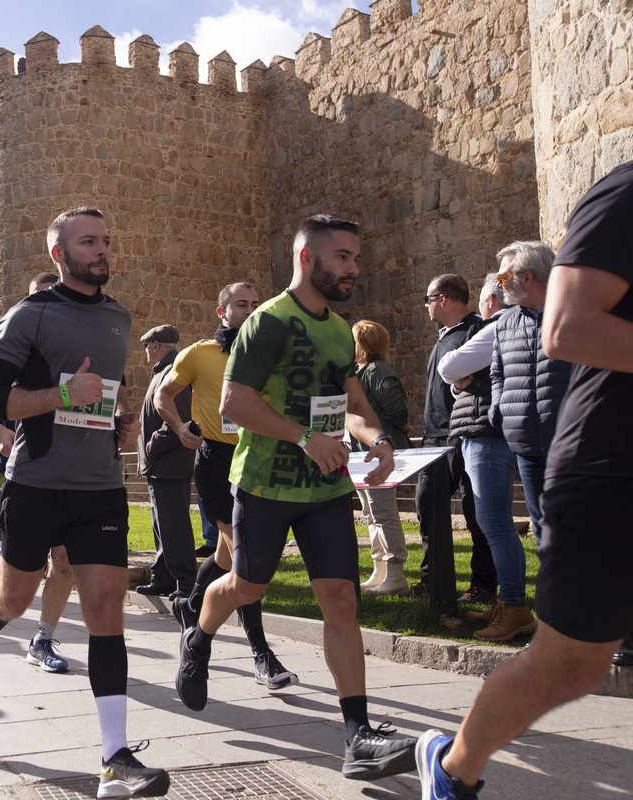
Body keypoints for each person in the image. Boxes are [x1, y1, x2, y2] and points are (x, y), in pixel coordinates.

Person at [417, 160, 633, 799]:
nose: (511, 285)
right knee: (571, 663)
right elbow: (570, 327)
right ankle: (453, 769)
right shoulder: (623, 196)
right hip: (608, 467)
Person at [175, 215, 416, 781]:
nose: (354, 268)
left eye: (356, 258)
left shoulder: (338, 329)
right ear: (307, 259)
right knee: (244, 585)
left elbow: (352, 401)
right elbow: (234, 403)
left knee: (340, 598)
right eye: (342, 258)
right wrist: (305, 438)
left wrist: (376, 439)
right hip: (265, 485)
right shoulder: (268, 323)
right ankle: (198, 631)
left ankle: (357, 734)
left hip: (328, 487)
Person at [0, 207, 170, 799]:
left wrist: (115, 421)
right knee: (14, 598)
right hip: (37, 482)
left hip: (98, 487)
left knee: (105, 606)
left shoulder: (120, 316)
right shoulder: (31, 315)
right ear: (59, 254)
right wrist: (64, 392)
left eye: (105, 240)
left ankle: (115, 758)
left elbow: (98, 401)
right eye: (88, 241)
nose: (102, 250)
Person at [154, 282, 298, 691]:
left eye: (256, 304)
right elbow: (164, 394)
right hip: (217, 461)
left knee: (224, 553)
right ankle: (261, 655)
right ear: (222, 312)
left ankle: (191, 605)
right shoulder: (199, 353)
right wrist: (180, 427)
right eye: (241, 304)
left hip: (258, 458)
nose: (251, 310)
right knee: (244, 560)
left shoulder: (269, 352)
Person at [0, 269, 78, 674]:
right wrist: (1, 432)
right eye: (40, 295)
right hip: (27, 464)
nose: (49, 302)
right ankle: (2, 558)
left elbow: (109, 394)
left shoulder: (81, 341)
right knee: (26, 573)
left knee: (64, 562)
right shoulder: (15, 337)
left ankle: (43, 640)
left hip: (73, 468)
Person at [438, 274, 534, 641]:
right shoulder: (512, 326)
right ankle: (508, 602)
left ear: (491, 302)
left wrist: (458, 378)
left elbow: (451, 366)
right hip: (490, 430)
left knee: (494, 522)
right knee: (494, 521)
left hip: (487, 433)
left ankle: (514, 606)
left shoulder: (496, 326)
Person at [416, 274, 496, 620]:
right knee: (427, 503)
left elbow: (477, 381)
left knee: (475, 510)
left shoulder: (475, 331)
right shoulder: (445, 337)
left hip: (464, 433)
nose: (427, 305)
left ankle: (483, 584)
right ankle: (432, 578)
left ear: (444, 298)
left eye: (429, 298)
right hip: (435, 435)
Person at [489, 241, 571, 545]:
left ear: (527, 277)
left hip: (568, 443)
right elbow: (497, 372)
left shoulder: (572, 312)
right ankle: (555, 591)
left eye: (503, 278)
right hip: (525, 443)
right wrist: (499, 407)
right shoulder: (505, 322)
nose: (499, 287)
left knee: (574, 523)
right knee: (541, 527)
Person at [135, 324, 197, 598]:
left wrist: (149, 449)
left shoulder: (174, 372)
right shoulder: (163, 371)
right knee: (161, 526)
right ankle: (163, 578)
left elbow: (178, 422)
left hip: (168, 463)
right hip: (161, 464)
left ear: (156, 345)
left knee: (174, 527)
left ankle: (185, 583)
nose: (146, 351)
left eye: (147, 346)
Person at [350, 320, 412, 595]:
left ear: (362, 345)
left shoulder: (377, 370)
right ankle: (380, 569)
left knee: (384, 514)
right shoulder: (360, 372)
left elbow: (397, 411)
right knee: (371, 513)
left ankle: (395, 573)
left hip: (379, 455)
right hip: (363, 456)